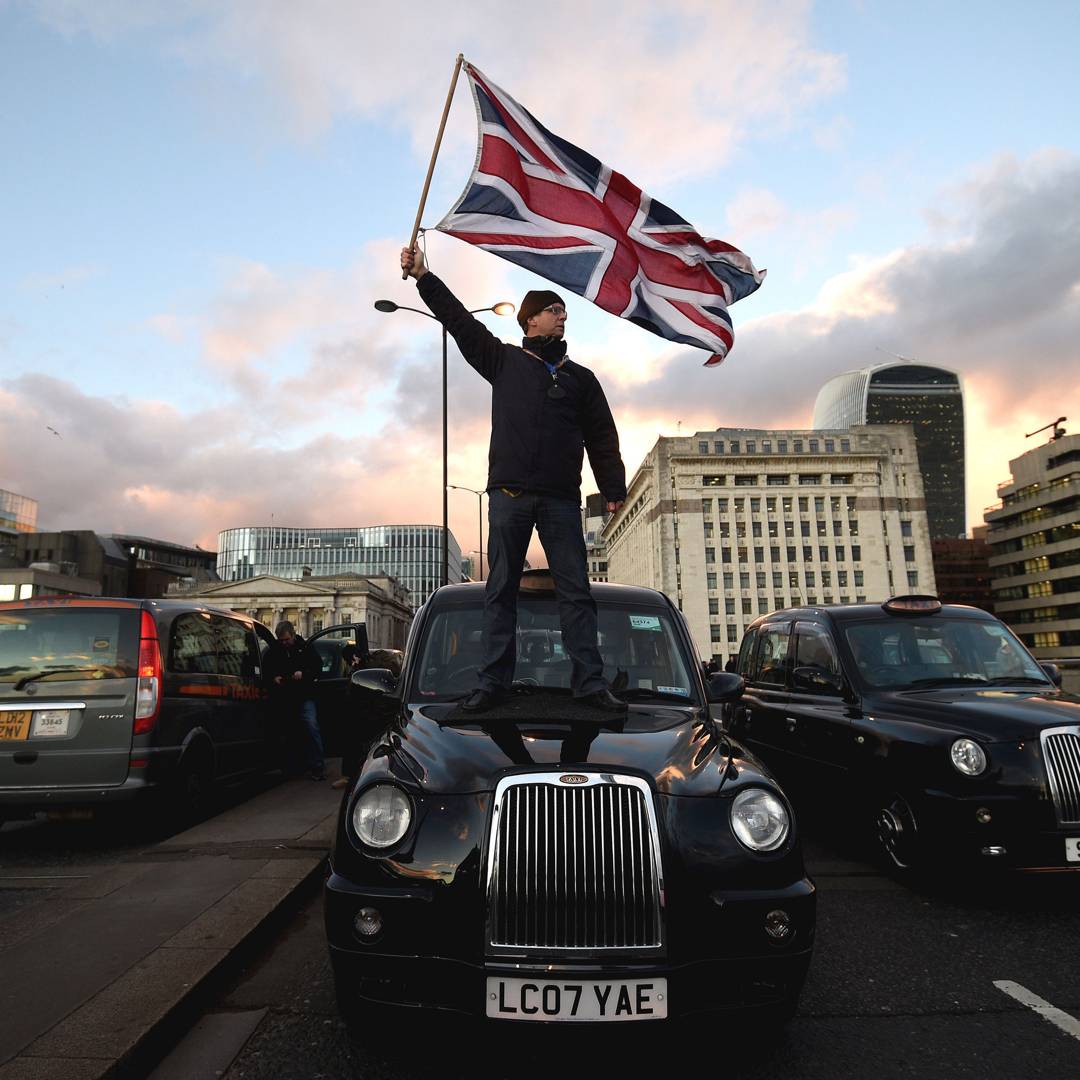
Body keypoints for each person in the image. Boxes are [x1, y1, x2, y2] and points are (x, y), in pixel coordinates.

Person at [401, 244, 627, 713]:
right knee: (499, 591)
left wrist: (613, 489)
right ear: (530, 321)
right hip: (509, 496)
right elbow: (459, 322)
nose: (562, 317)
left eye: (563, 312)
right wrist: (424, 276)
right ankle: (492, 685)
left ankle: (589, 684)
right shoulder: (502, 361)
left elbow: (602, 436)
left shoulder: (582, 379)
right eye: (553, 310)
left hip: (561, 501)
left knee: (576, 593)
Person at [263, 621, 325, 780]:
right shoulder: (273, 651)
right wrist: (273, 678)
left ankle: (317, 766)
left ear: (293, 635)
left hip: (304, 696)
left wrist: (303, 674)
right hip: (284, 698)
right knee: (288, 733)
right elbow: (266, 671)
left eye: (287, 639)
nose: (284, 643)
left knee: (311, 727)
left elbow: (318, 668)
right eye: (281, 640)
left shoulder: (305, 648)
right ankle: (292, 767)